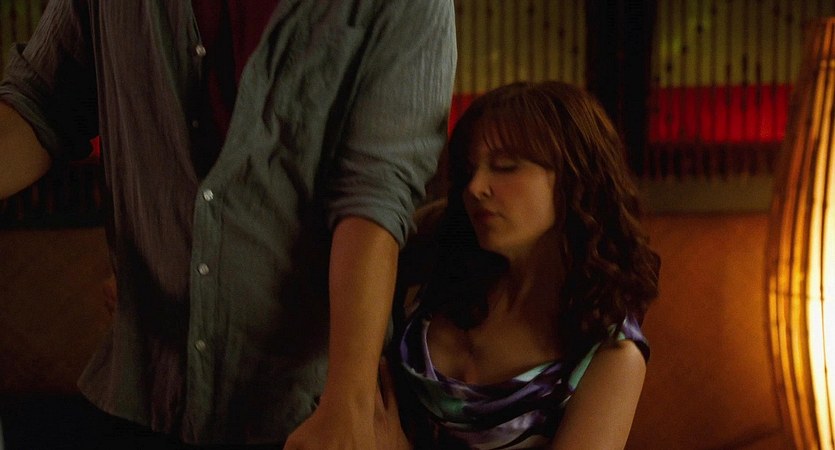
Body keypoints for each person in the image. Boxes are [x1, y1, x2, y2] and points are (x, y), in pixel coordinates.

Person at [0, 1, 456, 448]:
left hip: (308, 408)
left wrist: (347, 407)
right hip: (148, 390)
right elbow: (42, 101)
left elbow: (374, 195)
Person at [379, 81, 660, 449]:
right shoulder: (437, 249)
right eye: (469, 169)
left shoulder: (610, 355)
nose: (476, 187)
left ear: (575, 178)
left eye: (505, 167)